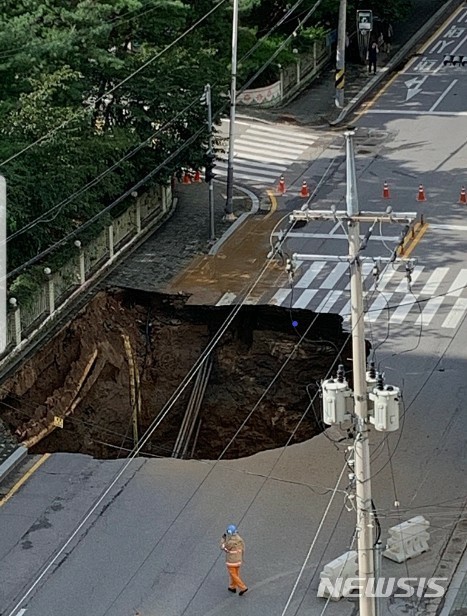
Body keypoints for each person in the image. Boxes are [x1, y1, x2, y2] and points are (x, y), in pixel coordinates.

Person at [220, 524, 248, 595]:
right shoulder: (240, 540)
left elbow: (223, 547)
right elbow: (243, 548)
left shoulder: (230, 542)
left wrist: (223, 540)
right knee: (235, 574)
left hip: (231, 561)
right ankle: (232, 587)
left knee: (233, 575)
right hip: (238, 560)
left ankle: (243, 587)